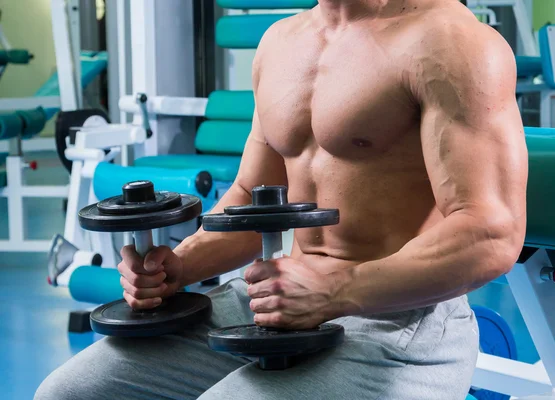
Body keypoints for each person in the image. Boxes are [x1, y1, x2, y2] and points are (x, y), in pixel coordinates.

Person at [35, 0, 527, 399]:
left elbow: (490, 232)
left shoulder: (450, 42)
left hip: (397, 320)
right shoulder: (281, 43)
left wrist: (337, 290)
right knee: (70, 392)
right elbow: (252, 198)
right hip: (274, 303)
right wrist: (177, 267)